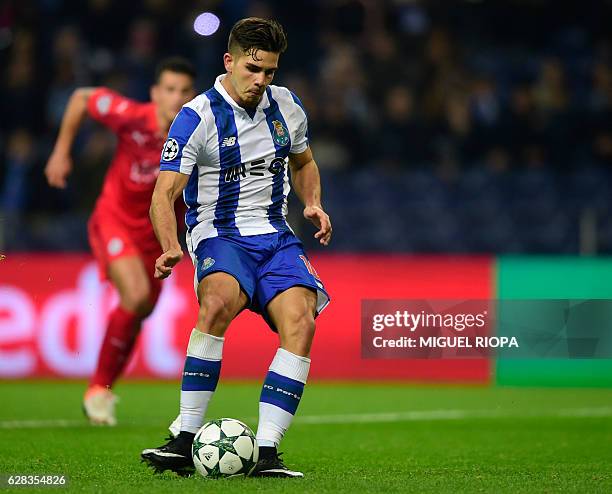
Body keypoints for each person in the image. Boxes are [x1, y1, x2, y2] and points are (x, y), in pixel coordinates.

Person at [140, 18, 332, 478]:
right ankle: (184, 439)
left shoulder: (286, 106)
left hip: (275, 236)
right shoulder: (197, 117)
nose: (261, 80)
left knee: (301, 323)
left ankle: (266, 453)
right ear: (230, 61)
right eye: (253, 69)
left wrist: (312, 202)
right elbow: (162, 196)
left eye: (270, 71)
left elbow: (304, 160)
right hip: (219, 234)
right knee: (218, 303)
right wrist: (170, 246)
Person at [45, 58, 197, 426]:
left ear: (193, 96)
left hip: (158, 238)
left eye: (184, 91)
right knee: (135, 296)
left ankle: (103, 389)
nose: (176, 98)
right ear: (155, 94)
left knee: (141, 308)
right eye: (170, 90)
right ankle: (97, 388)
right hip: (115, 220)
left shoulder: (198, 134)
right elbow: (82, 97)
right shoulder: (132, 115)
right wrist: (62, 151)